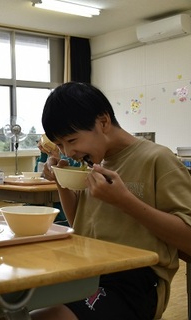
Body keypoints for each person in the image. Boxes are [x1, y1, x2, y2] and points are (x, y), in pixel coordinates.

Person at [31, 82, 191, 320]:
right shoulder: (96, 163)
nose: (67, 152)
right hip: (89, 269)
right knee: (10, 305)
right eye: (61, 144)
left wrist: (125, 201)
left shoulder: (158, 159)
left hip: (135, 282)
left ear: (103, 122)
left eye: (72, 140)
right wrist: (61, 182)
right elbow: (80, 223)